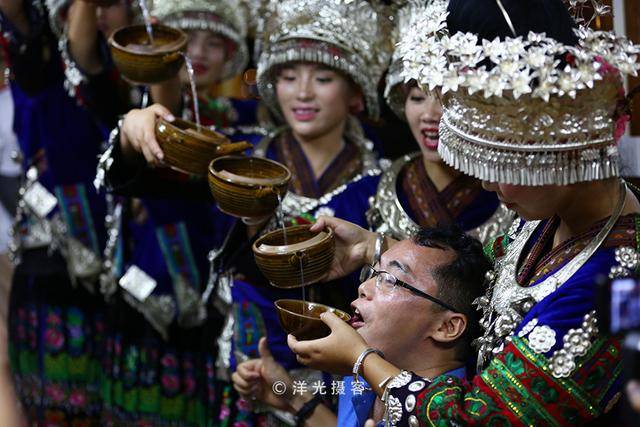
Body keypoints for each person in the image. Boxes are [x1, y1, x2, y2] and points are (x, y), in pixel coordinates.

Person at [287, 0, 640, 425]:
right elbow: (478, 277)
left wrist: (362, 361)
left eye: (499, 166)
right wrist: (373, 248)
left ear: (552, 154)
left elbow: (479, 418)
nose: (489, 185)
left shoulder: (621, 282)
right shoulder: (548, 219)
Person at [232, 227, 491, 427]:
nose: (363, 288)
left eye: (391, 279)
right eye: (372, 275)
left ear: (447, 326)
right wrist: (293, 399)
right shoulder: (361, 379)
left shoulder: (451, 415)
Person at [0, 0, 114, 422]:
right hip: (49, 270)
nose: (95, 13)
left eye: (111, 3)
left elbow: (90, 59)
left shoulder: (129, 78)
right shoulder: (37, 57)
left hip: (130, 281)